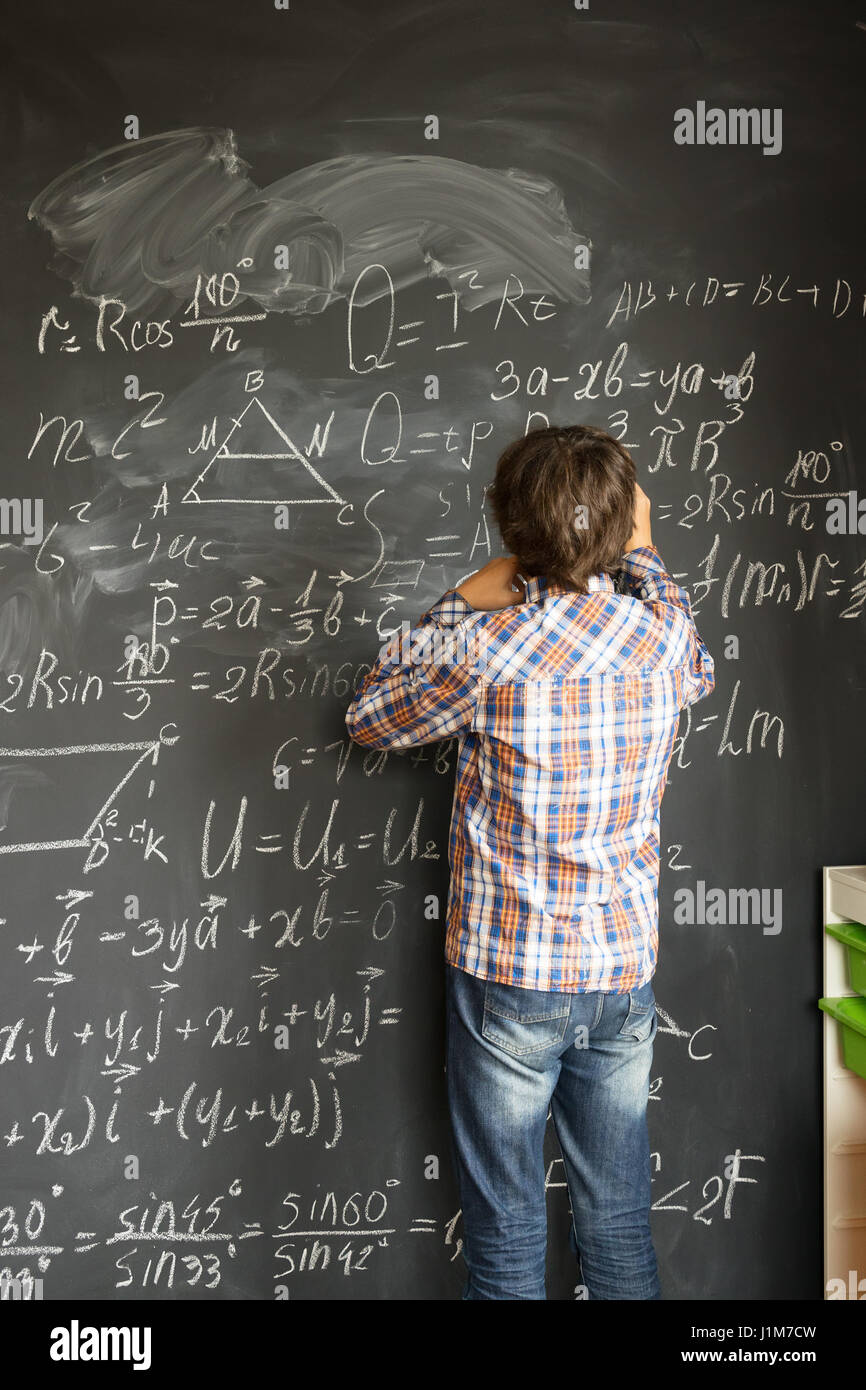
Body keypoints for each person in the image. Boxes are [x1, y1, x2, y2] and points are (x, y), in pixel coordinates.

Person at [344, 424, 715, 1300]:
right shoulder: (661, 637)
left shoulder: (485, 648)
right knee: (618, 1217)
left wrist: (472, 592)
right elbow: (692, 661)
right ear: (626, 523)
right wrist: (642, 551)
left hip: (509, 973)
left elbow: (369, 714)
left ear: (512, 531)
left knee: (506, 1223)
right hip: (621, 971)